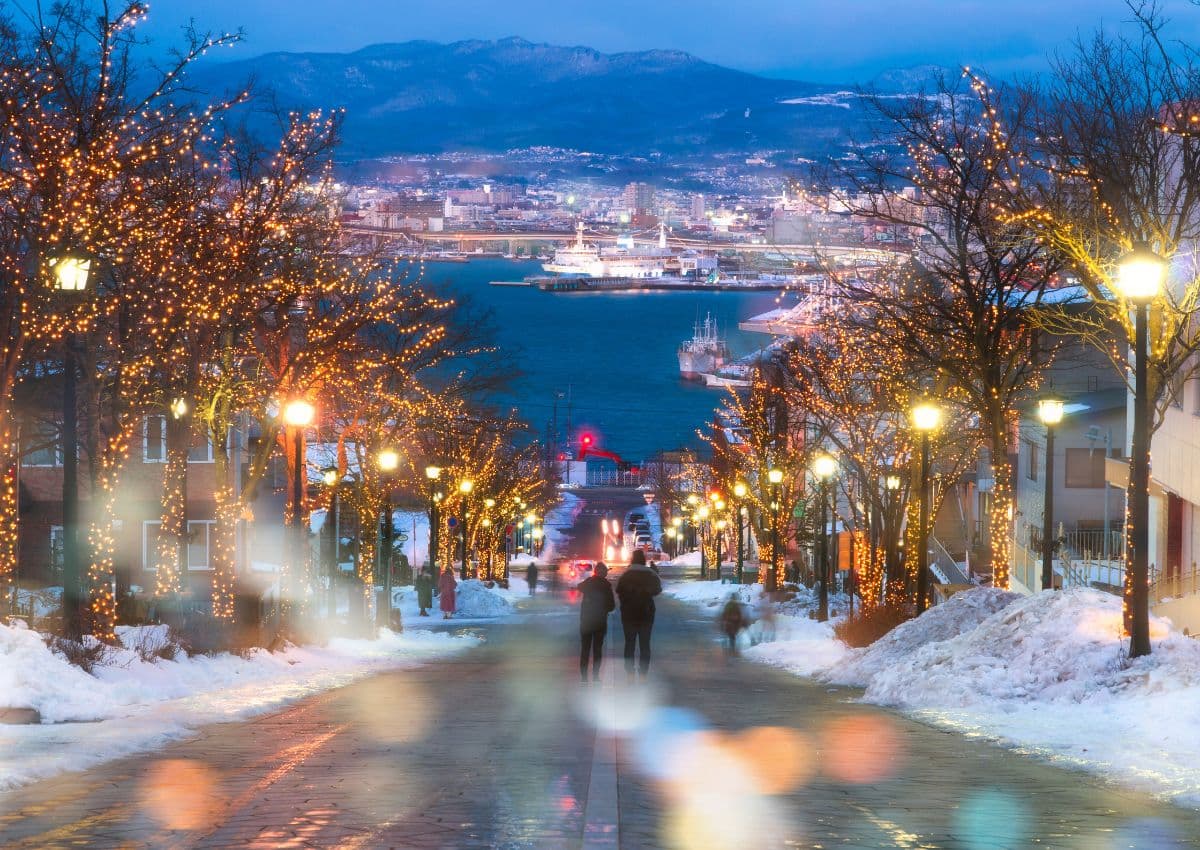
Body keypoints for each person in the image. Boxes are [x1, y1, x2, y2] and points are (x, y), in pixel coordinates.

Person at [616, 549, 662, 680]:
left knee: (629, 643)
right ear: (643, 560)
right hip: (646, 614)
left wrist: (626, 600)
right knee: (645, 644)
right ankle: (643, 673)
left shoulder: (626, 574)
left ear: (632, 559)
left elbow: (619, 590)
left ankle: (630, 672)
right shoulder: (650, 574)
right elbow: (658, 589)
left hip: (629, 614)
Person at [577, 562, 616, 683]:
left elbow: (579, 586)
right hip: (600, 621)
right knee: (597, 650)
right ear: (604, 573)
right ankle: (595, 676)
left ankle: (584, 677)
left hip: (586, 621)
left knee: (585, 649)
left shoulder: (588, 582)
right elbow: (611, 606)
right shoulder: (606, 586)